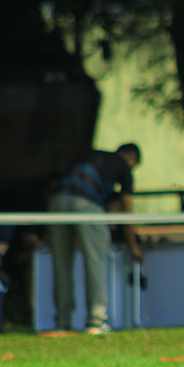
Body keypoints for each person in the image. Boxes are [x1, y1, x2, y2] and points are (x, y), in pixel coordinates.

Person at [47, 143, 141, 334]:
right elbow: (127, 211)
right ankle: (96, 319)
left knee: (61, 264)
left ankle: (62, 322)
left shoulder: (88, 154)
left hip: (57, 202)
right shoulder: (123, 166)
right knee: (95, 261)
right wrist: (134, 246)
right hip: (86, 203)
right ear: (132, 159)